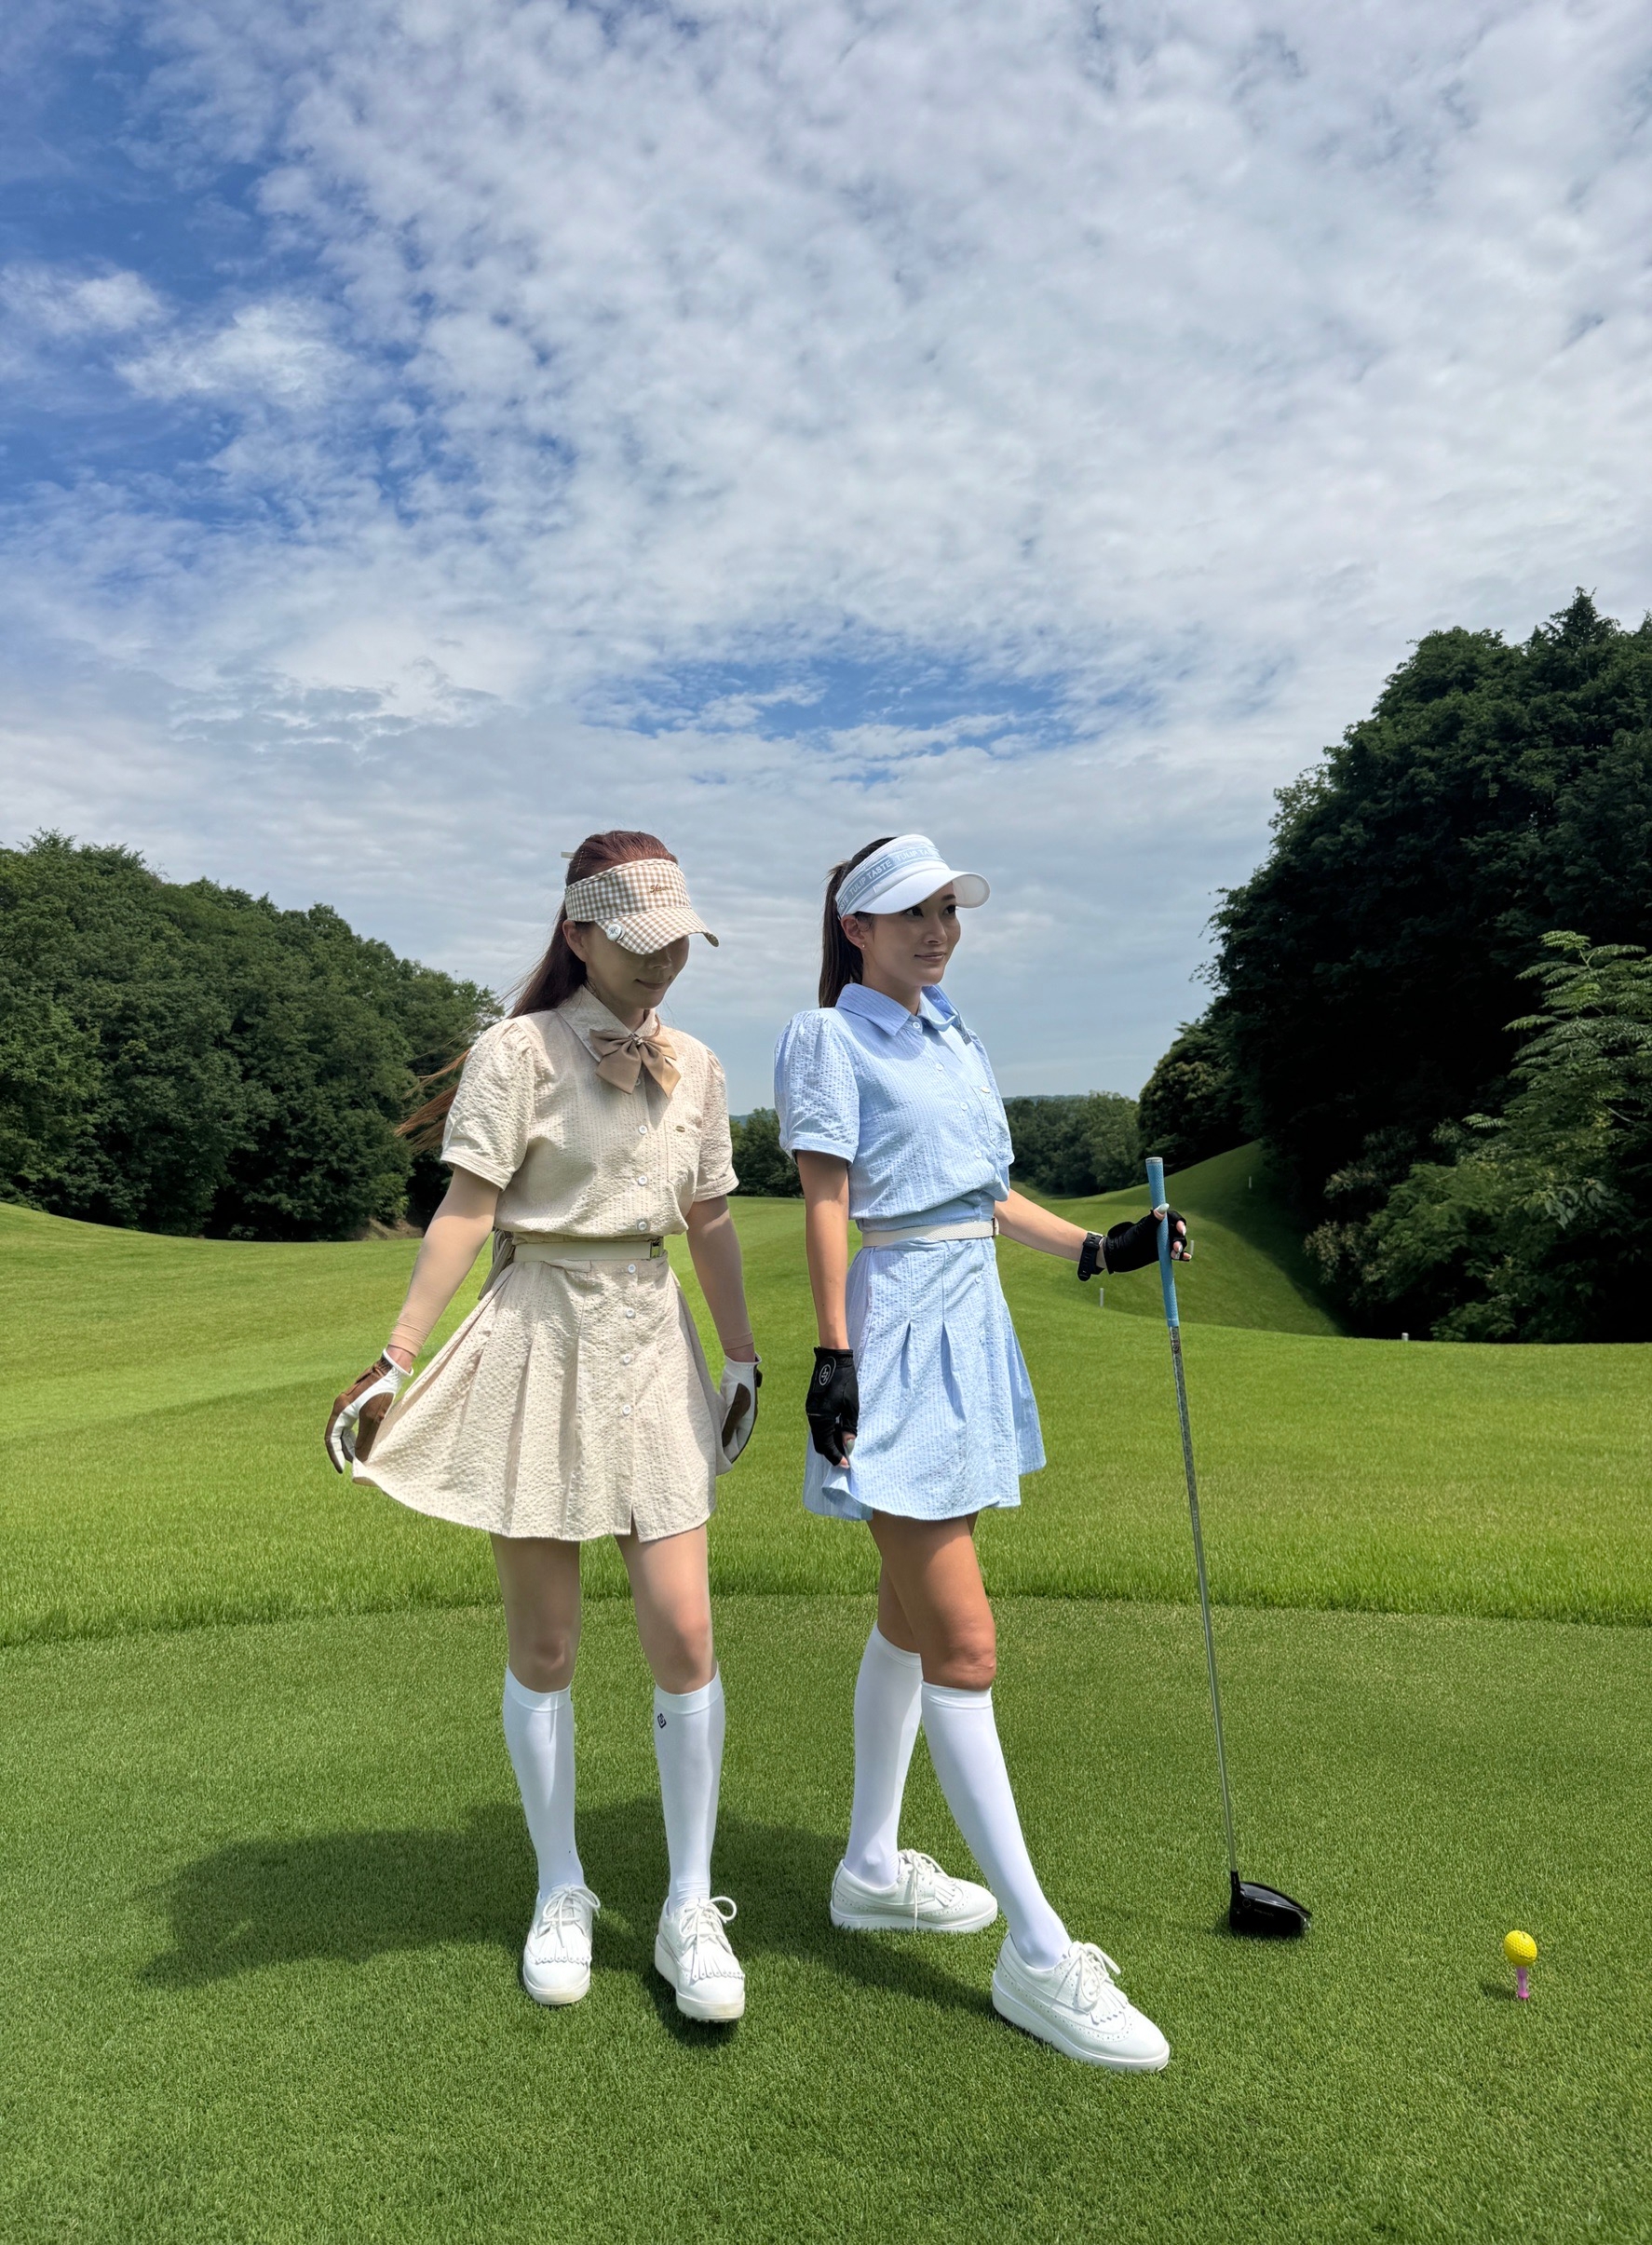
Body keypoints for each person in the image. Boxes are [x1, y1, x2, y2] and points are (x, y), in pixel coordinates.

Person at [325, 832, 761, 2024]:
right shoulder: (517, 1052)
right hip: (537, 1331)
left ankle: (688, 1902)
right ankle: (559, 1883)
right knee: (548, 1644)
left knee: (685, 1633)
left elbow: (710, 1217)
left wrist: (741, 1354)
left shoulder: (697, 1062)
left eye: (677, 943)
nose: (661, 963)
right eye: (638, 943)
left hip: (650, 1333)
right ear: (578, 934)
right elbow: (466, 1209)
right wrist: (395, 1357)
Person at [774, 833, 1189, 2073]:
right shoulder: (828, 1038)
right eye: (912, 911)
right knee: (964, 1643)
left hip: (968, 1323)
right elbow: (827, 1198)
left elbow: (984, 1196)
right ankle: (1037, 1950)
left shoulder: (951, 1031)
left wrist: (1098, 1248)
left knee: (908, 1623)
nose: (937, 927)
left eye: (948, 908)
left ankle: (866, 1866)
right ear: (855, 925)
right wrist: (833, 1353)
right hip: (895, 1337)